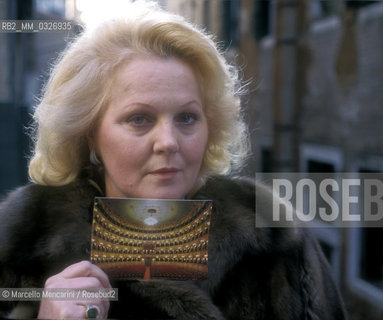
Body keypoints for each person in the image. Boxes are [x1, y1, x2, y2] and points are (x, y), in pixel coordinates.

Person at [0, 2, 347, 319]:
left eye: (186, 118)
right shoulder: (20, 242)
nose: (168, 142)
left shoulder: (274, 236)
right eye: (139, 119)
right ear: (90, 133)